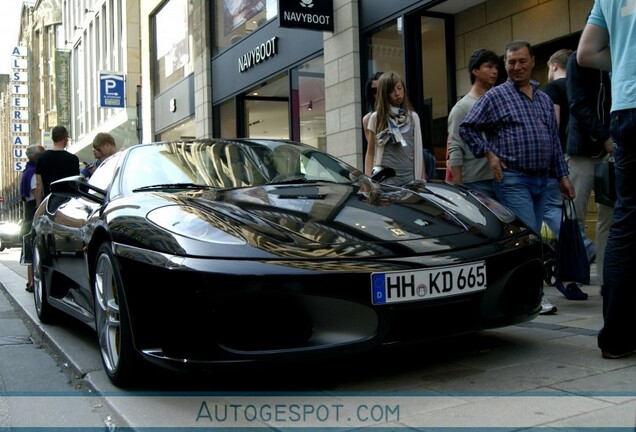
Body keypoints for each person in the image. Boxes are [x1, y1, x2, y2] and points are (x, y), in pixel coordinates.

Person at [459, 40, 576, 315]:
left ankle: (522, 291)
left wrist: (562, 176)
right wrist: (488, 154)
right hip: (513, 179)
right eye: (511, 62)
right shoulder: (495, 96)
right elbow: (468, 129)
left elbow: (553, 141)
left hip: (542, 180)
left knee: (531, 239)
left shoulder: (544, 98)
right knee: (531, 239)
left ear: (533, 61)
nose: (516, 67)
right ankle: (535, 295)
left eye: (522, 61)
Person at [577, 0, 636, 359]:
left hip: (627, 109)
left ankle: (616, 336)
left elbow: (586, 52)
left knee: (628, 221)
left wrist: (626, 64)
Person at [541, 49, 589, 301]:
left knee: (554, 210)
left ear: (553, 66)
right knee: (569, 214)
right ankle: (577, 267)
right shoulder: (580, 87)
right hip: (583, 157)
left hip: (560, 160)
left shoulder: (552, 90)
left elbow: (553, 126)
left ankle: (584, 249)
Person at [565, 49, 613, 292]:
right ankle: (572, 277)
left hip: (611, 151)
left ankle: (606, 278)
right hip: (583, 150)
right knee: (576, 215)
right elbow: (578, 104)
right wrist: (604, 136)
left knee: (610, 216)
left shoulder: (617, 56)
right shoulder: (578, 59)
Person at [447, 48, 499, 198]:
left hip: (503, 178)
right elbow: (455, 146)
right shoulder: (462, 107)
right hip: (476, 181)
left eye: (496, 67)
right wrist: (458, 188)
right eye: (489, 67)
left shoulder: (498, 103)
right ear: (475, 70)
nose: (494, 71)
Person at [364, 71, 425, 185]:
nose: (397, 93)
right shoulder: (376, 118)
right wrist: (368, 183)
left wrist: (421, 181)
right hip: (385, 182)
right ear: (384, 94)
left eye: (399, 88)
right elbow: (370, 152)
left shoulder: (413, 118)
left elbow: (418, 152)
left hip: (410, 182)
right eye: (391, 91)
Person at [19, 144, 45, 293]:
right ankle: (33, 282)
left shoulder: (26, 171)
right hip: (32, 212)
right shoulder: (34, 173)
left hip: (27, 214)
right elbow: (37, 192)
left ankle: (30, 282)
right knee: (34, 247)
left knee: (29, 248)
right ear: (37, 157)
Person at [35, 125, 80, 205]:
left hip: (49, 202)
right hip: (67, 203)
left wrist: (39, 205)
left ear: (52, 138)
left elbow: (39, 185)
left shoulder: (42, 157)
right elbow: (75, 183)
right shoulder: (73, 159)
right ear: (65, 138)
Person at [362, 72, 383, 148]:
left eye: (381, 89)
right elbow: (373, 151)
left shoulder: (404, 114)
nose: (378, 94)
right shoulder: (368, 119)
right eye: (374, 91)